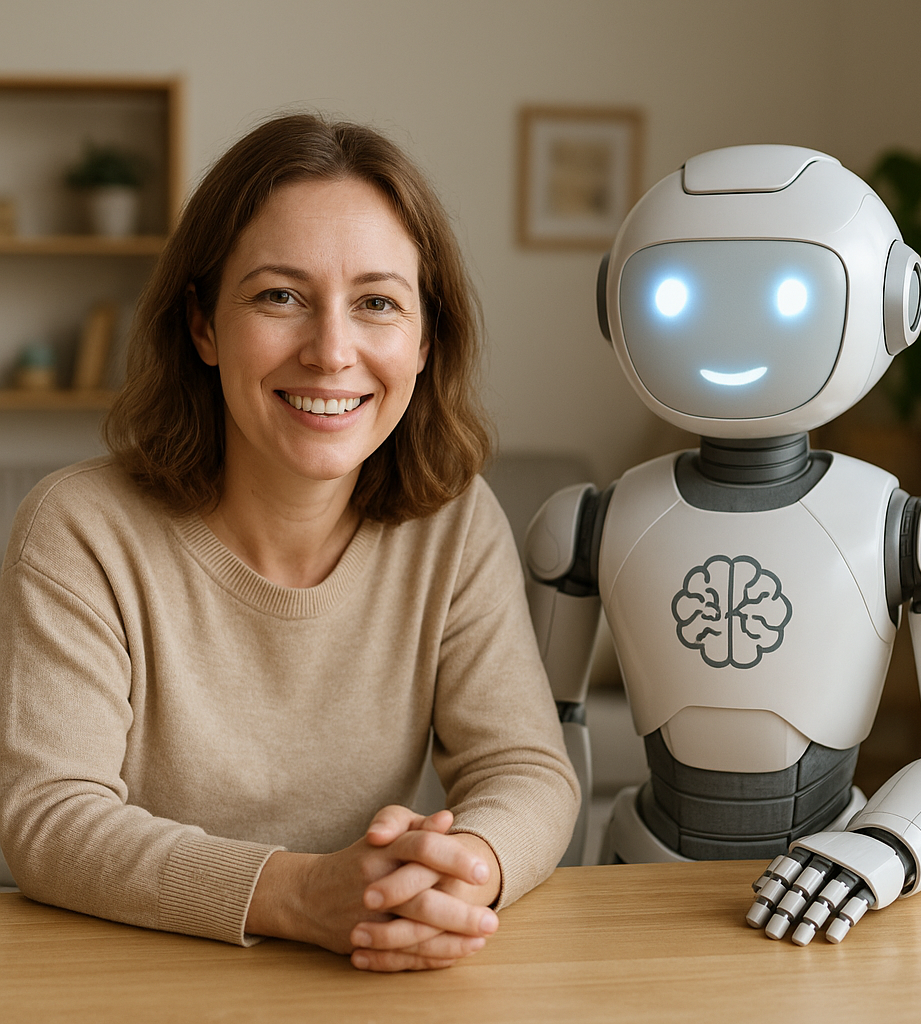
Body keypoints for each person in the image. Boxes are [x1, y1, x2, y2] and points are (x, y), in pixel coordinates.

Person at [0, 114, 579, 972]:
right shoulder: (80, 528)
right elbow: (49, 816)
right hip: (132, 977)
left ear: (423, 343)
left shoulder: (452, 522)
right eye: (280, 296)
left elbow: (526, 768)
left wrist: (464, 870)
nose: (331, 351)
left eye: (377, 303)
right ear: (202, 326)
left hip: (366, 974)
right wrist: (300, 894)